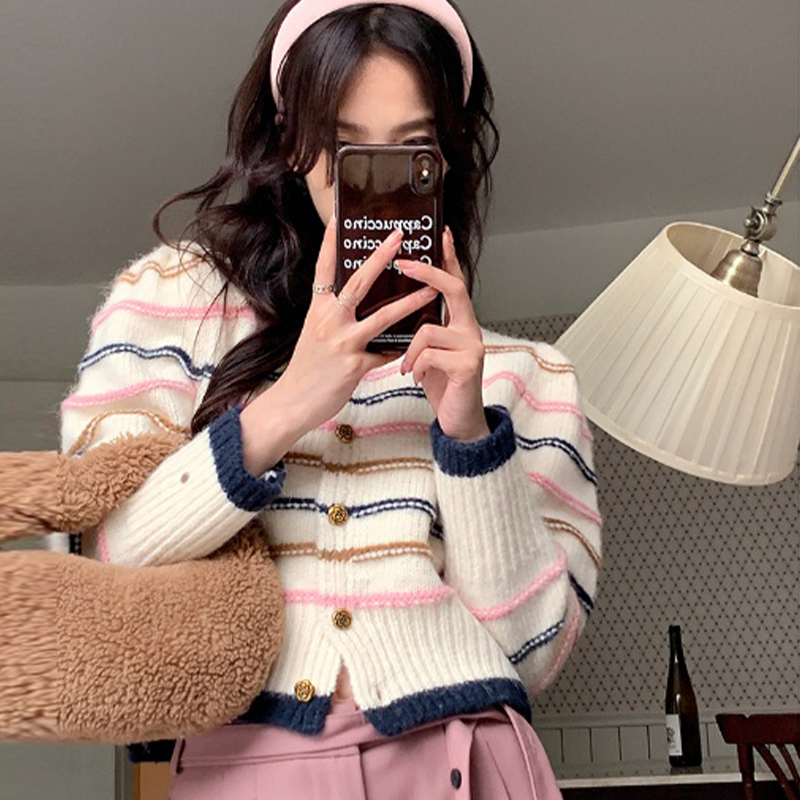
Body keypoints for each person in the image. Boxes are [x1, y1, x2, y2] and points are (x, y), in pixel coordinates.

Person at [59, 0, 602, 797]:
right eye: (347, 147)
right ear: (292, 142)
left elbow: (533, 651)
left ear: (447, 157)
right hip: (247, 766)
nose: (375, 183)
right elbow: (112, 553)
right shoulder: (172, 301)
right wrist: (288, 403)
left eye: (411, 148)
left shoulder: (531, 377)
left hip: (470, 760)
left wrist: (467, 438)